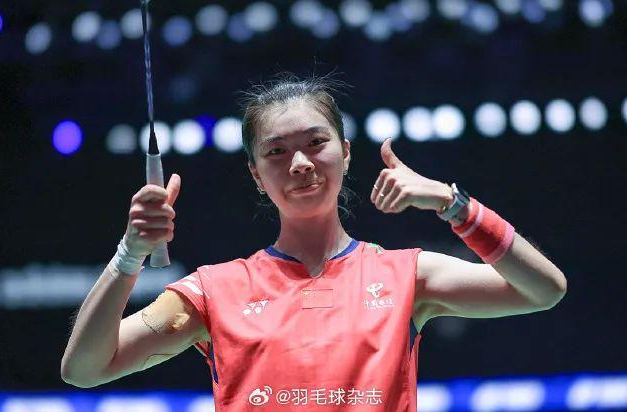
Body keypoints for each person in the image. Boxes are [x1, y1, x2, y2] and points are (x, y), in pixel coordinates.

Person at [61, 74, 567, 410]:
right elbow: (84, 369)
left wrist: (453, 204)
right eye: (276, 152)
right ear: (256, 175)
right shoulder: (214, 291)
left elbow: (544, 289)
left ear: (345, 152)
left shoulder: (405, 276)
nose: (300, 163)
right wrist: (130, 254)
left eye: (315, 142)